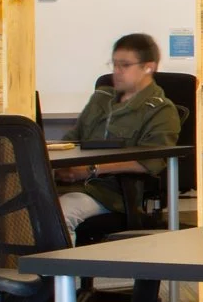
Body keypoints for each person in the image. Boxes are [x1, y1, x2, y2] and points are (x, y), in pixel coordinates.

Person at [56, 32, 182, 239]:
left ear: (148, 67)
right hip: (71, 185)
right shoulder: (101, 99)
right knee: (23, 208)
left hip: (111, 194)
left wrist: (91, 169)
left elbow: (151, 161)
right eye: (114, 64)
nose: (117, 71)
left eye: (124, 65)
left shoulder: (160, 110)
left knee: (58, 215)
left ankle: (64, 273)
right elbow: (72, 138)